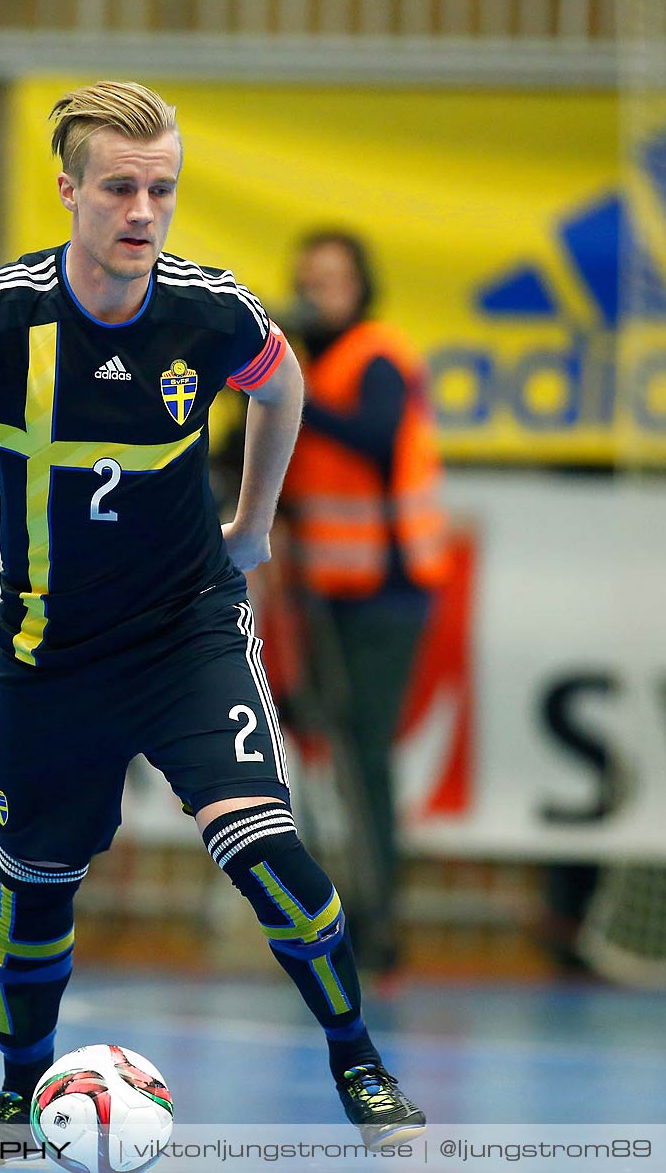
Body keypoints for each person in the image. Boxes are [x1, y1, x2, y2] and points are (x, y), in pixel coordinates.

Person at [0, 82, 426, 1158]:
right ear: (69, 191)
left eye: (161, 188)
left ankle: (362, 1064)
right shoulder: (2, 313)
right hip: (47, 656)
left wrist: (251, 522)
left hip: (185, 638)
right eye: (119, 187)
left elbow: (281, 383)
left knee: (266, 851)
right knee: (34, 889)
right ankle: (19, 1096)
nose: (143, 210)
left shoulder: (207, 310)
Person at [280, 230, 449, 975]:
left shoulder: (376, 355)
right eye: (309, 280)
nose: (321, 292)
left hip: (386, 587)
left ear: (360, 285)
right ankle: (339, 906)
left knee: (364, 751)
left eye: (335, 279)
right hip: (326, 587)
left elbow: (380, 436)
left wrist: (292, 398)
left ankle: (380, 917)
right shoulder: (302, 367)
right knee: (331, 745)